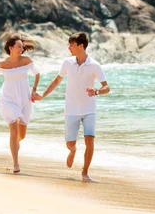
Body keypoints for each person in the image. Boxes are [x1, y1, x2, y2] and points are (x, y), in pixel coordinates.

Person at [34, 32, 109, 182]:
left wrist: (96, 91)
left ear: (81, 46)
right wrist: (43, 95)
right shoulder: (67, 63)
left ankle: (85, 172)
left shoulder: (94, 65)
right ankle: (73, 151)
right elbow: (56, 81)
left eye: (72, 45)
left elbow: (106, 87)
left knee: (90, 140)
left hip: (89, 109)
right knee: (70, 143)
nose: (69, 48)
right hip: (71, 109)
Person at [0, 34, 40, 174]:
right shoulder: (3, 64)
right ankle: (16, 164)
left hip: (25, 100)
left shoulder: (26, 61)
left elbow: (37, 74)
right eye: (19, 46)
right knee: (13, 131)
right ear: (11, 48)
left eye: (22, 46)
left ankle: (15, 143)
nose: (21, 49)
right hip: (8, 99)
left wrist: (34, 90)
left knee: (22, 135)